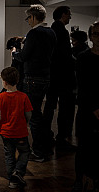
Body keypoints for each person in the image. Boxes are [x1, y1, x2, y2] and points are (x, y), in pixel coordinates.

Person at [12, 4, 56, 162]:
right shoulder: (51, 32)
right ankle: (47, 147)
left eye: (28, 18)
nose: (28, 21)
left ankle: (38, 152)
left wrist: (15, 53)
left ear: (33, 17)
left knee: (34, 116)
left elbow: (24, 56)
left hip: (32, 78)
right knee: (41, 115)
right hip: (46, 76)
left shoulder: (34, 33)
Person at [43, 6, 76, 149]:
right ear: (63, 15)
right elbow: (65, 56)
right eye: (69, 14)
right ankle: (61, 138)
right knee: (64, 108)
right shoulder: (61, 31)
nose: (70, 17)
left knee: (50, 107)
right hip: (61, 76)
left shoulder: (51, 30)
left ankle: (46, 135)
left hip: (52, 75)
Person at [72, 21, 99, 192]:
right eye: (96, 33)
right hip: (87, 110)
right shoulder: (83, 58)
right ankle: (81, 180)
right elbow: (83, 86)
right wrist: (95, 108)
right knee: (84, 148)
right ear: (90, 36)